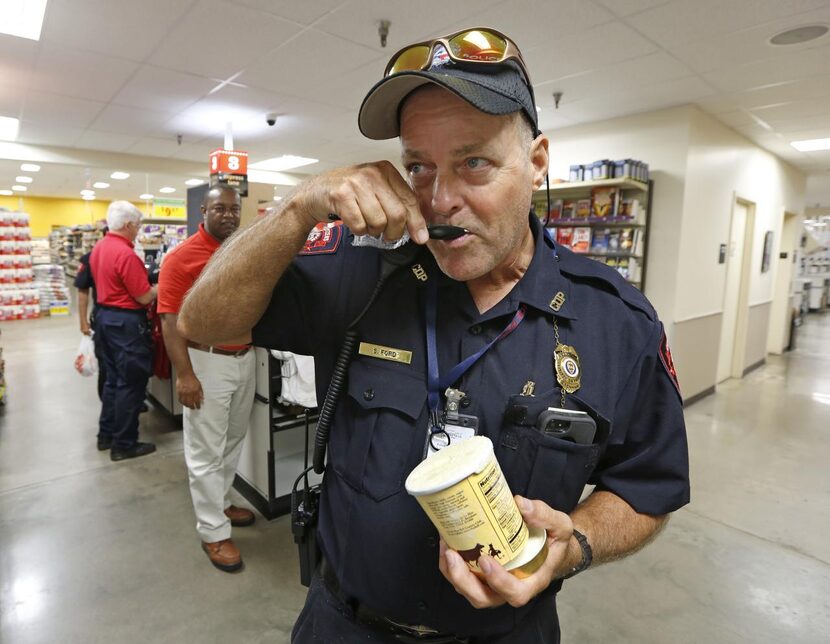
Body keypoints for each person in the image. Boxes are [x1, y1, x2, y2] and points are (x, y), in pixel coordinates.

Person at [179, 27, 690, 642]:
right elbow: (201, 321)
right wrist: (297, 208)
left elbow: (646, 488)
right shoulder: (362, 272)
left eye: (474, 162)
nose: (439, 199)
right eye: (419, 166)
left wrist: (574, 544)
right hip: (343, 624)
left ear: (535, 163)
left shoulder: (616, 322)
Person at [157, 186, 256, 573]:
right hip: (206, 361)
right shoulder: (181, 258)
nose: (229, 215)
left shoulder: (243, 248)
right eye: (220, 208)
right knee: (204, 450)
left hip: (244, 359)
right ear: (204, 211)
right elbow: (169, 321)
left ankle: (222, 500)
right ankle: (213, 532)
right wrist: (185, 375)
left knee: (231, 440)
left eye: (234, 209)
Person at [90, 201, 156, 461]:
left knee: (113, 381)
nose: (138, 231)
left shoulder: (100, 247)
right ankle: (125, 444)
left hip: (105, 319)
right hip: (126, 324)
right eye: (138, 226)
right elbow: (143, 296)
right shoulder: (126, 254)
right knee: (131, 383)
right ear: (128, 225)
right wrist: (163, 287)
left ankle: (106, 436)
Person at [75, 249, 106, 402]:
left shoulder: (131, 254)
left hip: (123, 320)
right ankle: (107, 403)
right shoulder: (90, 258)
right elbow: (82, 289)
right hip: (103, 318)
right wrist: (83, 321)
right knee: (106, 366)